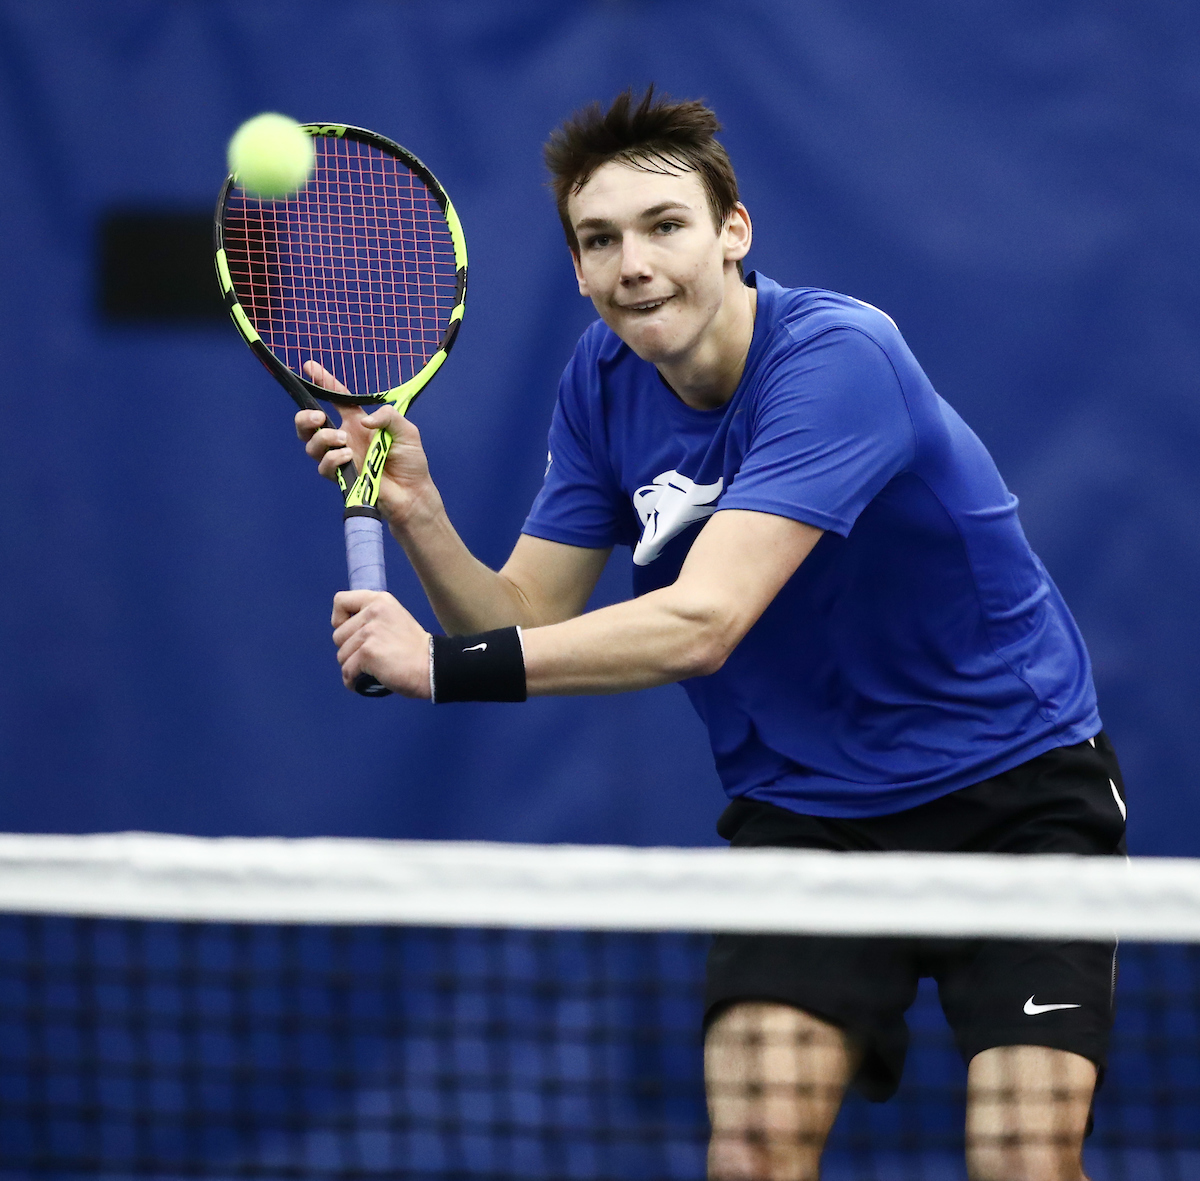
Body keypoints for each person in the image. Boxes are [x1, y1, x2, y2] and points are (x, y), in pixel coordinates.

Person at [297, 88, 1126, 1180]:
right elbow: (527, 619)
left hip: (1015, 791)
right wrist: (421, 513)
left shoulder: (839, 357)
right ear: (580, 271)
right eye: (600, 240)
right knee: (752, 1148)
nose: (633, 263)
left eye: (664, 225)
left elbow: (703, 621)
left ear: (734, 232)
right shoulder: (600, 385)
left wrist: (440, 669)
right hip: (811, 815)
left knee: (1022, 1155)